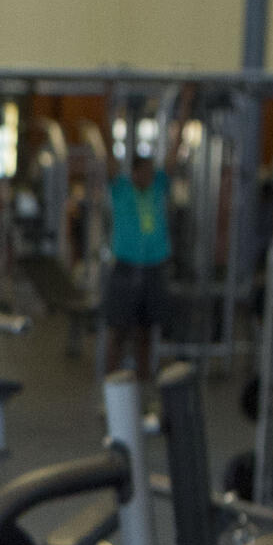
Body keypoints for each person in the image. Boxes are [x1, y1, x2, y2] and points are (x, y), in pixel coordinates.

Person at [104, 149, 173, 381]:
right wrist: (106, 115)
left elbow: (172, 155)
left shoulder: (157, 188)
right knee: (119, 330)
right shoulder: (121, 189)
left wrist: (183, 115)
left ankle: (144, 382)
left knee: (146, 331)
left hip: (153, 268)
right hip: (126, 268)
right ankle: (111, 383)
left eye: (151, 171)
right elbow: (110, 157)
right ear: (134, 173)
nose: (149, 175)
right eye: (145, 171)